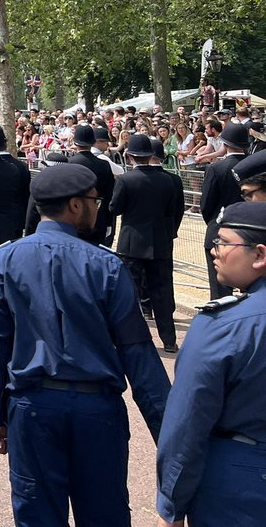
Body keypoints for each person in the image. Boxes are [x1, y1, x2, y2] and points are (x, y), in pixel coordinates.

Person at [0, 163, 171, 526]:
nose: (98, 207)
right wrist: (168, 432)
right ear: (75, 205)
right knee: (105, 514)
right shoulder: (106, 265)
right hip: (97, 409)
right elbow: (137, 352)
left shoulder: (4, 259)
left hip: (32, 406)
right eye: (94, 200)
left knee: (37, 514)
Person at [156, 201, 266, 526]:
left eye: (222, 242)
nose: (214, 250)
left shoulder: (223, 325)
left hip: (242, 482)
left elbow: (187, 426)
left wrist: (170, 506)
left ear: (259, 255)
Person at [110, 133, 185, 351]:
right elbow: (175, 212)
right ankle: (169, 340)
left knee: (129, 293)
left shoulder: (126, 179)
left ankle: (132, 339)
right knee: (161, 292)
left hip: (132, 242)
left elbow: (115, 209)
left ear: (130, 155)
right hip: (160, 241)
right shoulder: (171, 180)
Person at [200, 121, 249, 298]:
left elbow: (206, 204)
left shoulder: (216, 168)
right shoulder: (255, 166)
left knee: (220, 289)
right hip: (251, 231)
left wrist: (213, 222)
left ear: (225, 144)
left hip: (220, 229)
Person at [68, 124, 116, 246]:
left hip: (73, 216)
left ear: (75, 142)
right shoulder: (104, 165)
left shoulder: (69, 163)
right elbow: (109, 195)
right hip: (97, 216)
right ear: (93, 142)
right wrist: (109, 222)